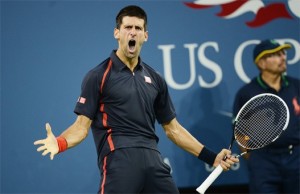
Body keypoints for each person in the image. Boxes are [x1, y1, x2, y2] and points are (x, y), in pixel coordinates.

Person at [34, 5, 239, 194]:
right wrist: (60, 143)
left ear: (145, 36)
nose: (133, 32)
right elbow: (81, 127)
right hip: (118, 159)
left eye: (138, 28)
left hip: (154, 160)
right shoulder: (98, 76)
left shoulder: (156, 79)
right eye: (128, 27)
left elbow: (173, 130)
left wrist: (211, 157)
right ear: (117, 33)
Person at [233, 39, 300, 194]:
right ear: (261, 63)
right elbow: (240, 134)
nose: (283, 57)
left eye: (283, 53)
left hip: (296, 158)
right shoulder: (247, 93)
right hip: (264, 162)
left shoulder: (297, 86)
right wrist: (256, 161)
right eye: (275, 55)